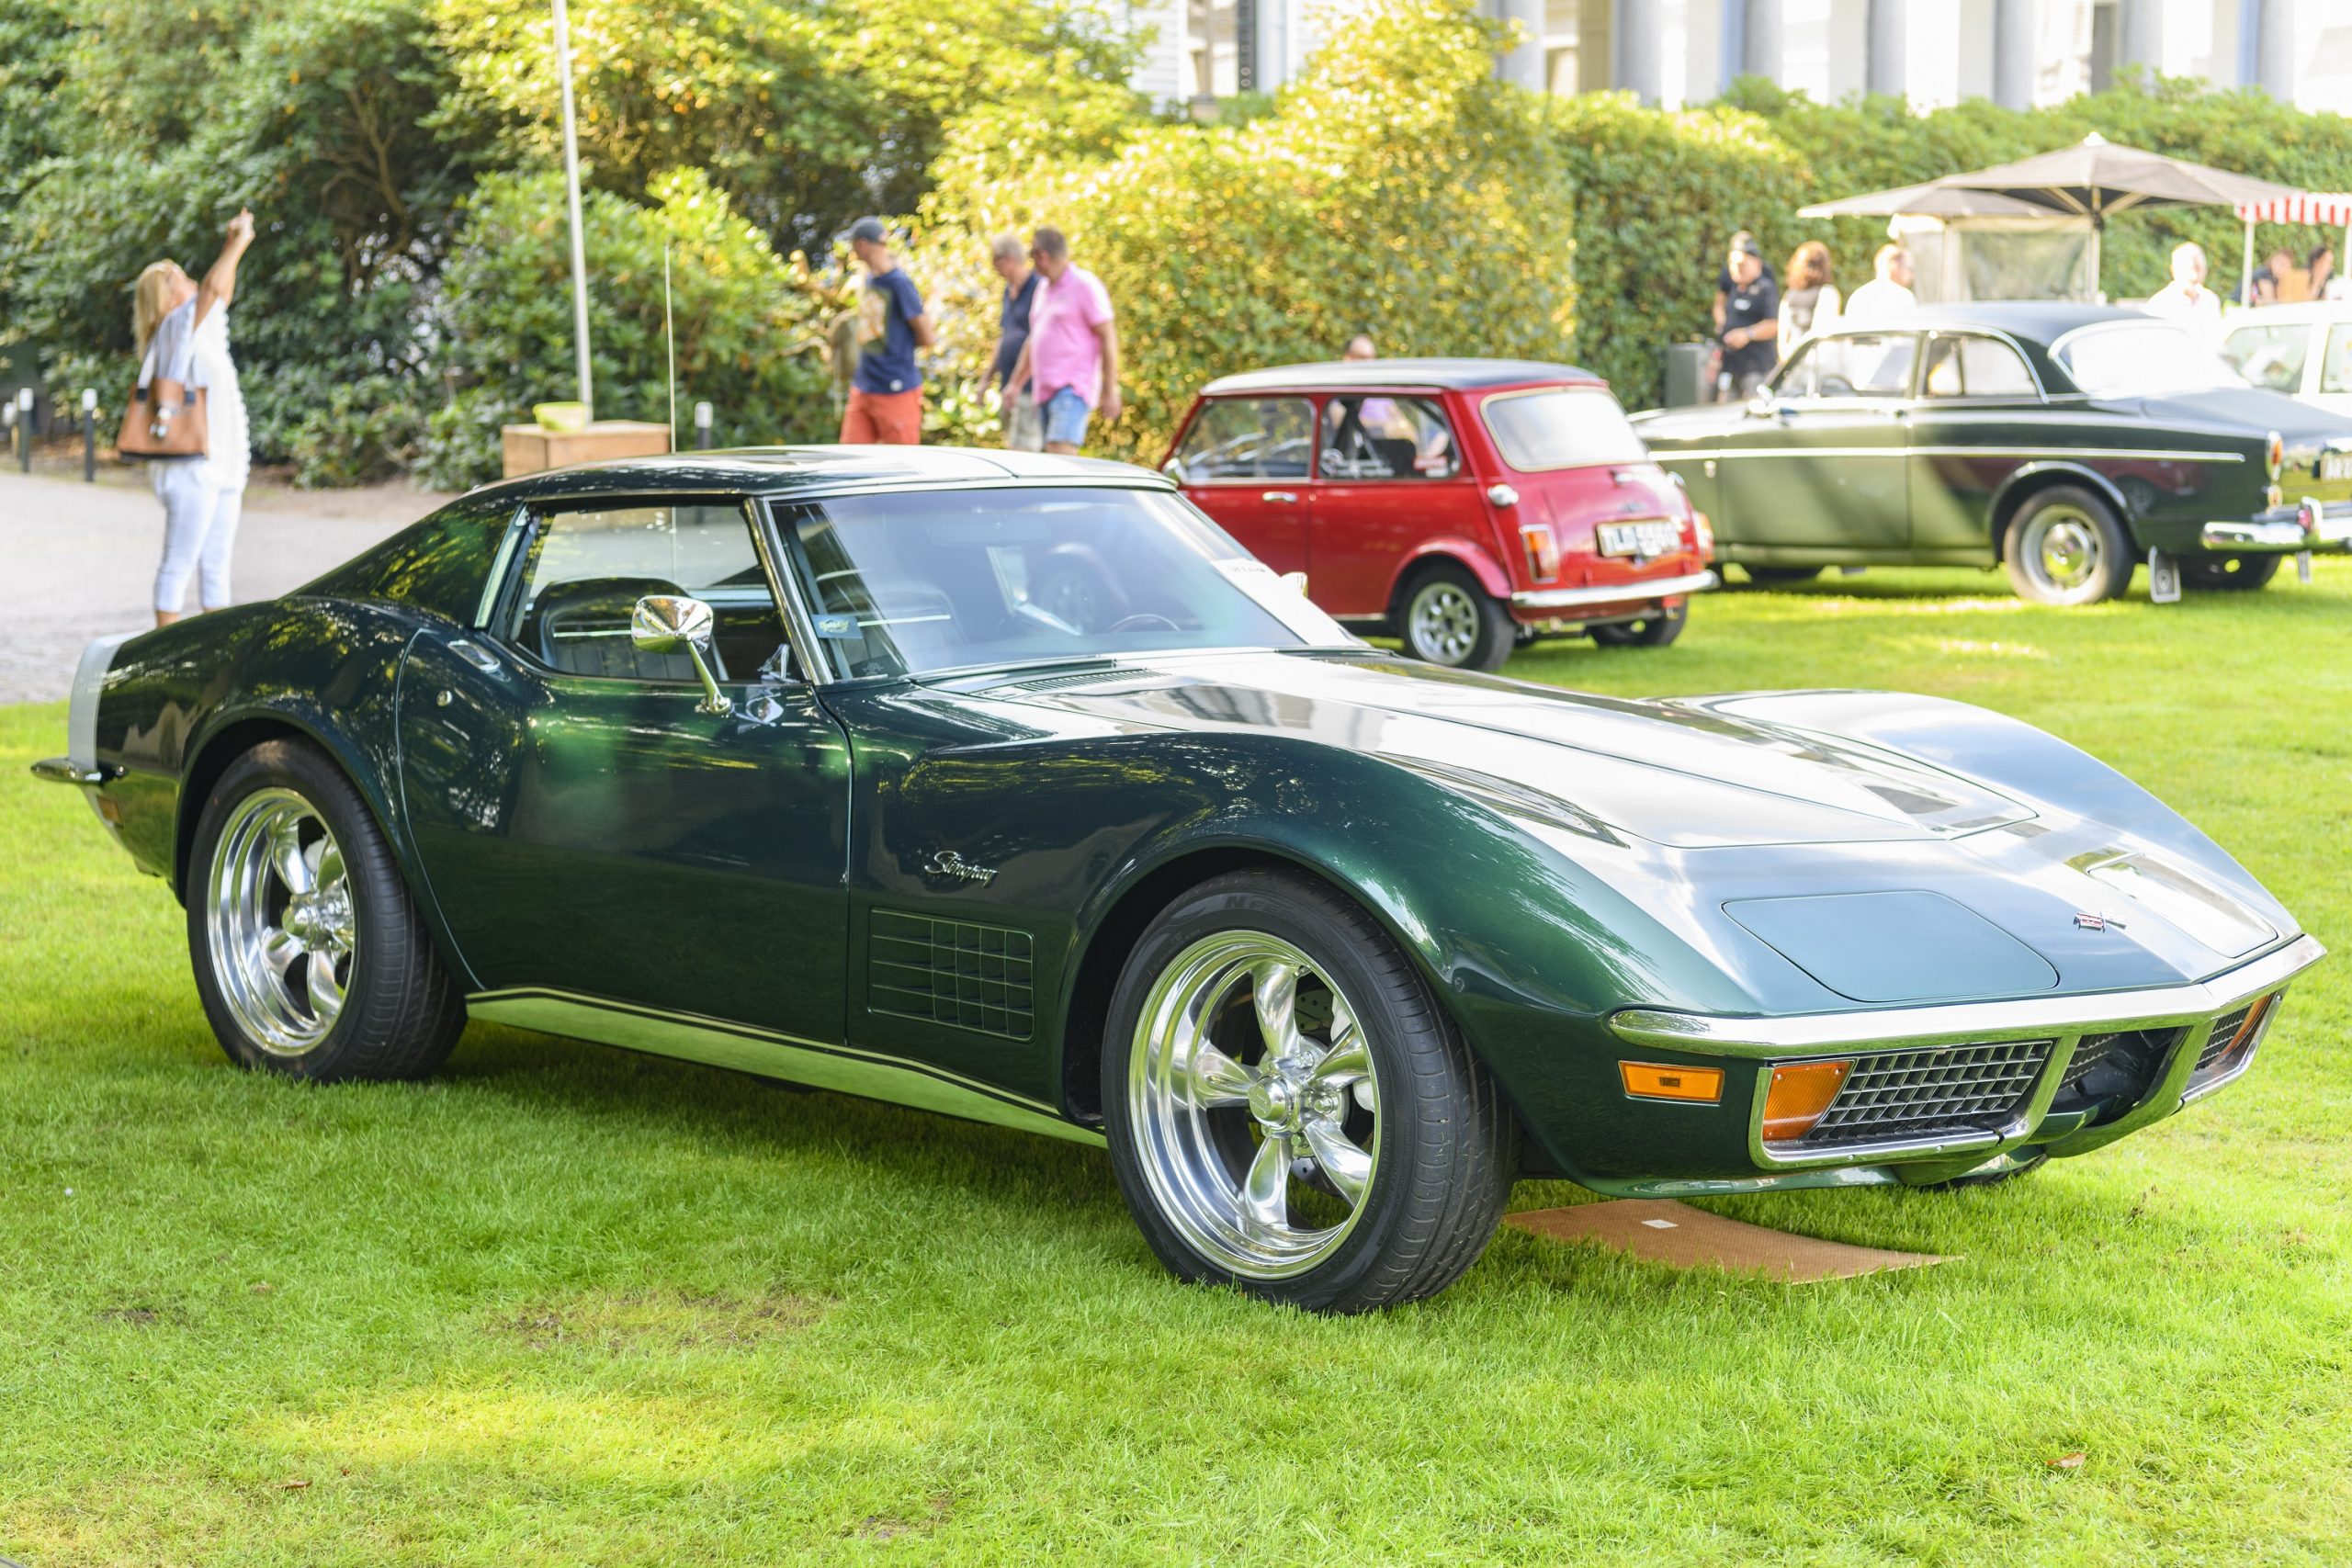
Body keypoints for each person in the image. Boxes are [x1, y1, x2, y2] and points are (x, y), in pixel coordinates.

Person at [131, 208, 255, 627]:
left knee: (216, 567)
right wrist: (237, 244)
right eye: (178, 278)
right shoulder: (172, 328)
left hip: (222, 463)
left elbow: (218, 293)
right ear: (166, 298)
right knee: (179, 563)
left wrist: (233, 247)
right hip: (191, 470)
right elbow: (209, 291)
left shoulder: (200, 328)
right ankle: (163, 652)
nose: (189, 280)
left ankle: (215, 660)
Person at [1005, 226, 1120, 456]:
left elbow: (1108, 336)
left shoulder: (1085, 285)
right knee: (1050, 460)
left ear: (1042, 256)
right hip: (1044, 389)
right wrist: (1016, 383)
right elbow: (1035, 340)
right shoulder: (1043, 289)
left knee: (1061, 455)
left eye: (1032, 256)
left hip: (1072, 387)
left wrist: (1110, 389)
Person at [840, 217, 933, 445]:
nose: (851, 251)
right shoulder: (870, 278)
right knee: (848, 462)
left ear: (862, 244)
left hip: (896, 389)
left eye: (852, 245)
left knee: (902, 467)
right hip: (864, 386)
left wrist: (896, 349)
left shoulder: (899, 283)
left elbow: (927, 336)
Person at [984, 232, 1043, 452]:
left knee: (1024, 452)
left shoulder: (1038, 287)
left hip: (1029, 385)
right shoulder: (1008, 290)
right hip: (1008, 384)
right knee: (1011, 446)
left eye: (995, 261)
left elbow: (1039, 337)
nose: (993, 267)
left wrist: (1019, 382)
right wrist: (986, 379)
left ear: (1008, 258)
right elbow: (1005, 336)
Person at [1713, 234, 1778, 400]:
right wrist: (1722, 325)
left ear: (1756, 263)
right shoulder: (1734, 287)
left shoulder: (1766, 288)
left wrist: (1747, 334)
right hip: (1731, 366)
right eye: (1732, 264)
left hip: (1756, 367)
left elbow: (1774, 324)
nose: (1736, 269)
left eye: (1741, 264)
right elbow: (1719, 305)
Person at [2143, 241, 2222, 343]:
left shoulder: (2210, 300)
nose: (2194, 276)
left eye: (2198, 269)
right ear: (2174, 270)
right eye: (2189, 269)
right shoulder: (2159, 305)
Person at [1777, 241, 1840, 359]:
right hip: (1814, 361)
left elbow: (1782, 337)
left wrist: (1786, 360)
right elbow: (1824, 333)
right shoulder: (1827, 293)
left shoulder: (1789, 295)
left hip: (1791, 360)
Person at [1845, 243, 1917, 318]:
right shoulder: (1904, 297)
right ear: (1895, 265)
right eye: (1910, 269)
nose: (1912, 276)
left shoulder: (1857, 297)